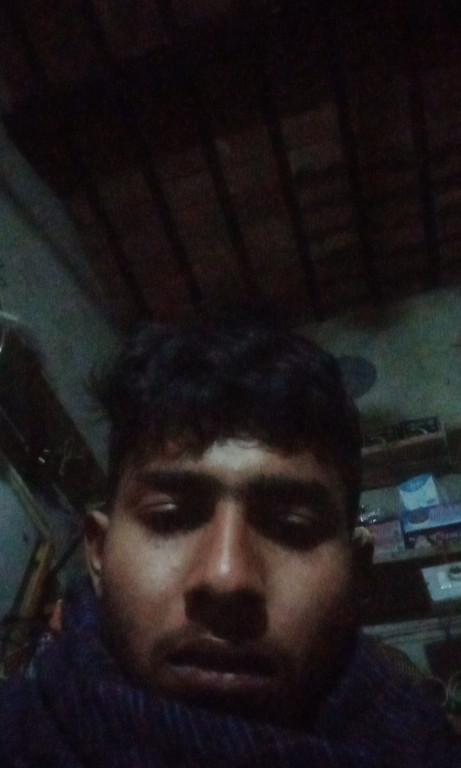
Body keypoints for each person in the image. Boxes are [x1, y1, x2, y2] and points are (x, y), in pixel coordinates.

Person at [0, 320, 460, 767]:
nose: (227, 577)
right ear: (99, 552)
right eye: (169, 518)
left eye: (292, 527)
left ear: (357, 576)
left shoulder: (424, 742)